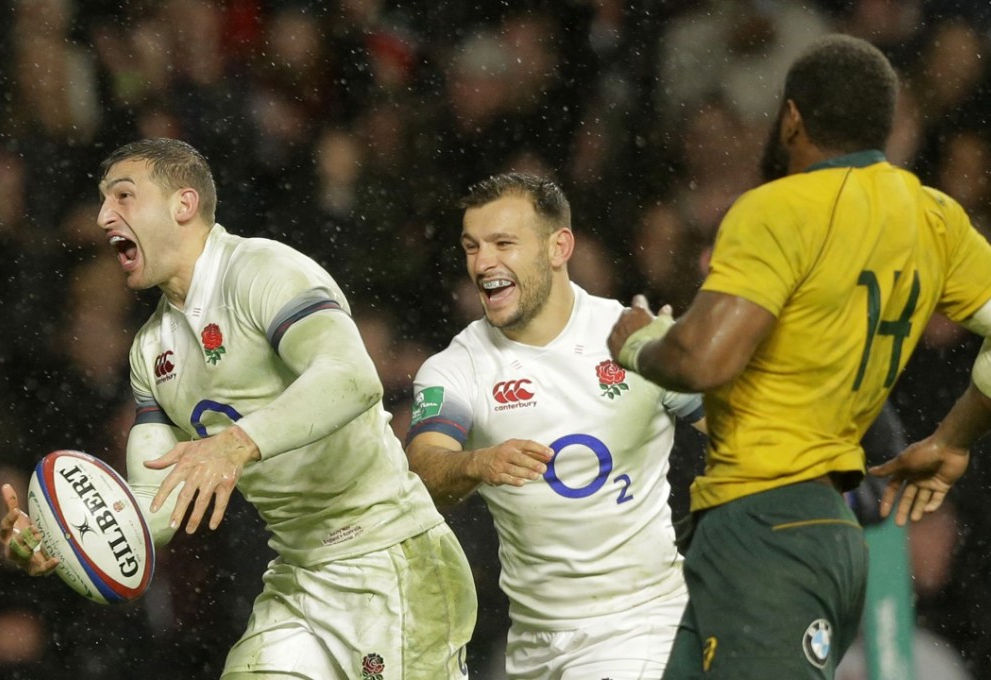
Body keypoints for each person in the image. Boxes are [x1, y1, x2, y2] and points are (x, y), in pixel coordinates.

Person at [0, 137, 478, 679]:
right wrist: (65, 536)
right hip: (299, 577)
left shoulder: (264, 272)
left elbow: (353, 378)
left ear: (184, 205)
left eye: (124, 196)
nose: (105, 215)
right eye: (104, 200)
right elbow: (157, 504)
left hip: (393, 559)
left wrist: (237, 442)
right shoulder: (150, 351)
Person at [607, 34, 991, 679]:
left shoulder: (777, 209)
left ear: (790, 117)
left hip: (767, 529)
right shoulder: (934, 217)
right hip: (815, 530)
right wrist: (955, 438)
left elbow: (703, 361)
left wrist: (639, 340)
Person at [405, 172, 705, 680]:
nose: (483, 264)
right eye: (472, 247)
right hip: (534, 643)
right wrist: (478, 461)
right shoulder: (457, 367)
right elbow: (423, 467)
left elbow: (739, 429)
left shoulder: (635, 339)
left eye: (504, 243)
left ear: (558, 247)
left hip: (641, 624)